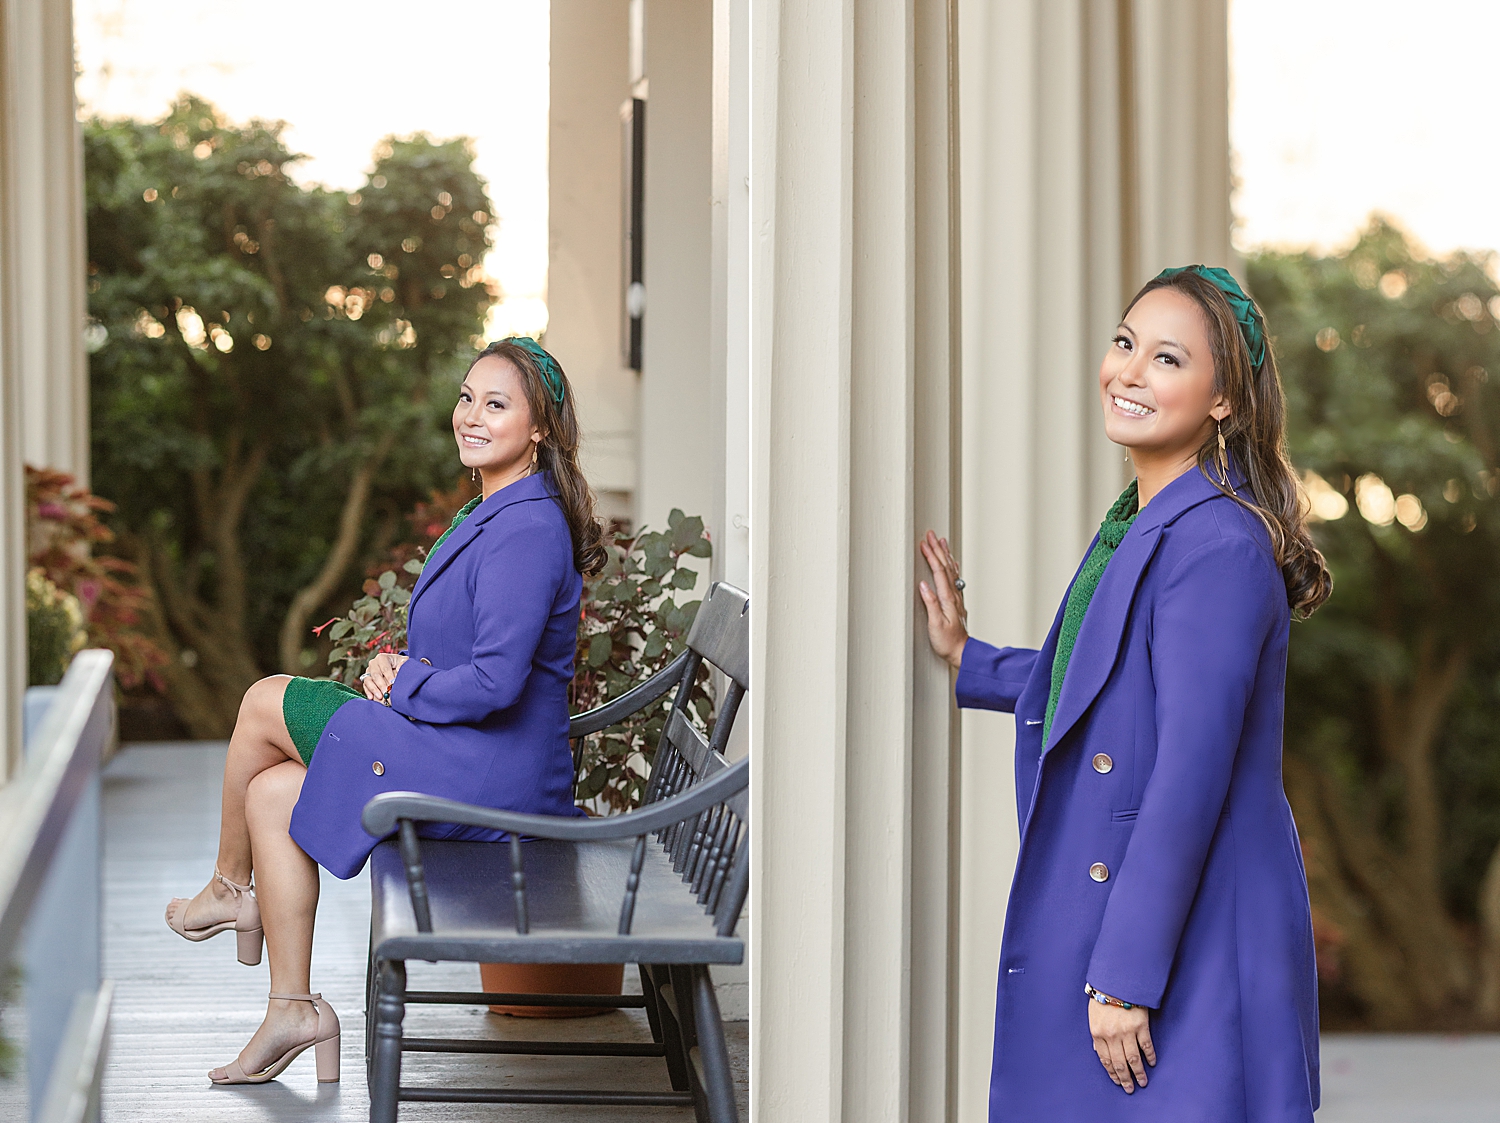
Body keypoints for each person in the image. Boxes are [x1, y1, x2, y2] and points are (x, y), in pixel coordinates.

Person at [920, 266, 1331, 1122]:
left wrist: (1125, 973)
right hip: (1154, 915)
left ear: (1225, 398)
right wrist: (972, 658)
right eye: (1124, 342)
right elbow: (1111, 676)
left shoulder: (1215, 541)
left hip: (1192, 934)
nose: (1130, 371)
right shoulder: (1149, 518)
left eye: (1168, 358)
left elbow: (1191, 770)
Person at [163, 337, 607, 1085]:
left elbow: (498, 683)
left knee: (265, 699)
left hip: (492, 776)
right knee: (272, 791)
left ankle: (228, 888)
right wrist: (401, 665)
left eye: (496, 404)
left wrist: (403, 684)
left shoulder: (528, 527)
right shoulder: (500, 506)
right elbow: (474, 648)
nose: (470, 415)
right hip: (463, 748)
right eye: (467, 396)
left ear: (539, 429)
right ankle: (292, 1008)